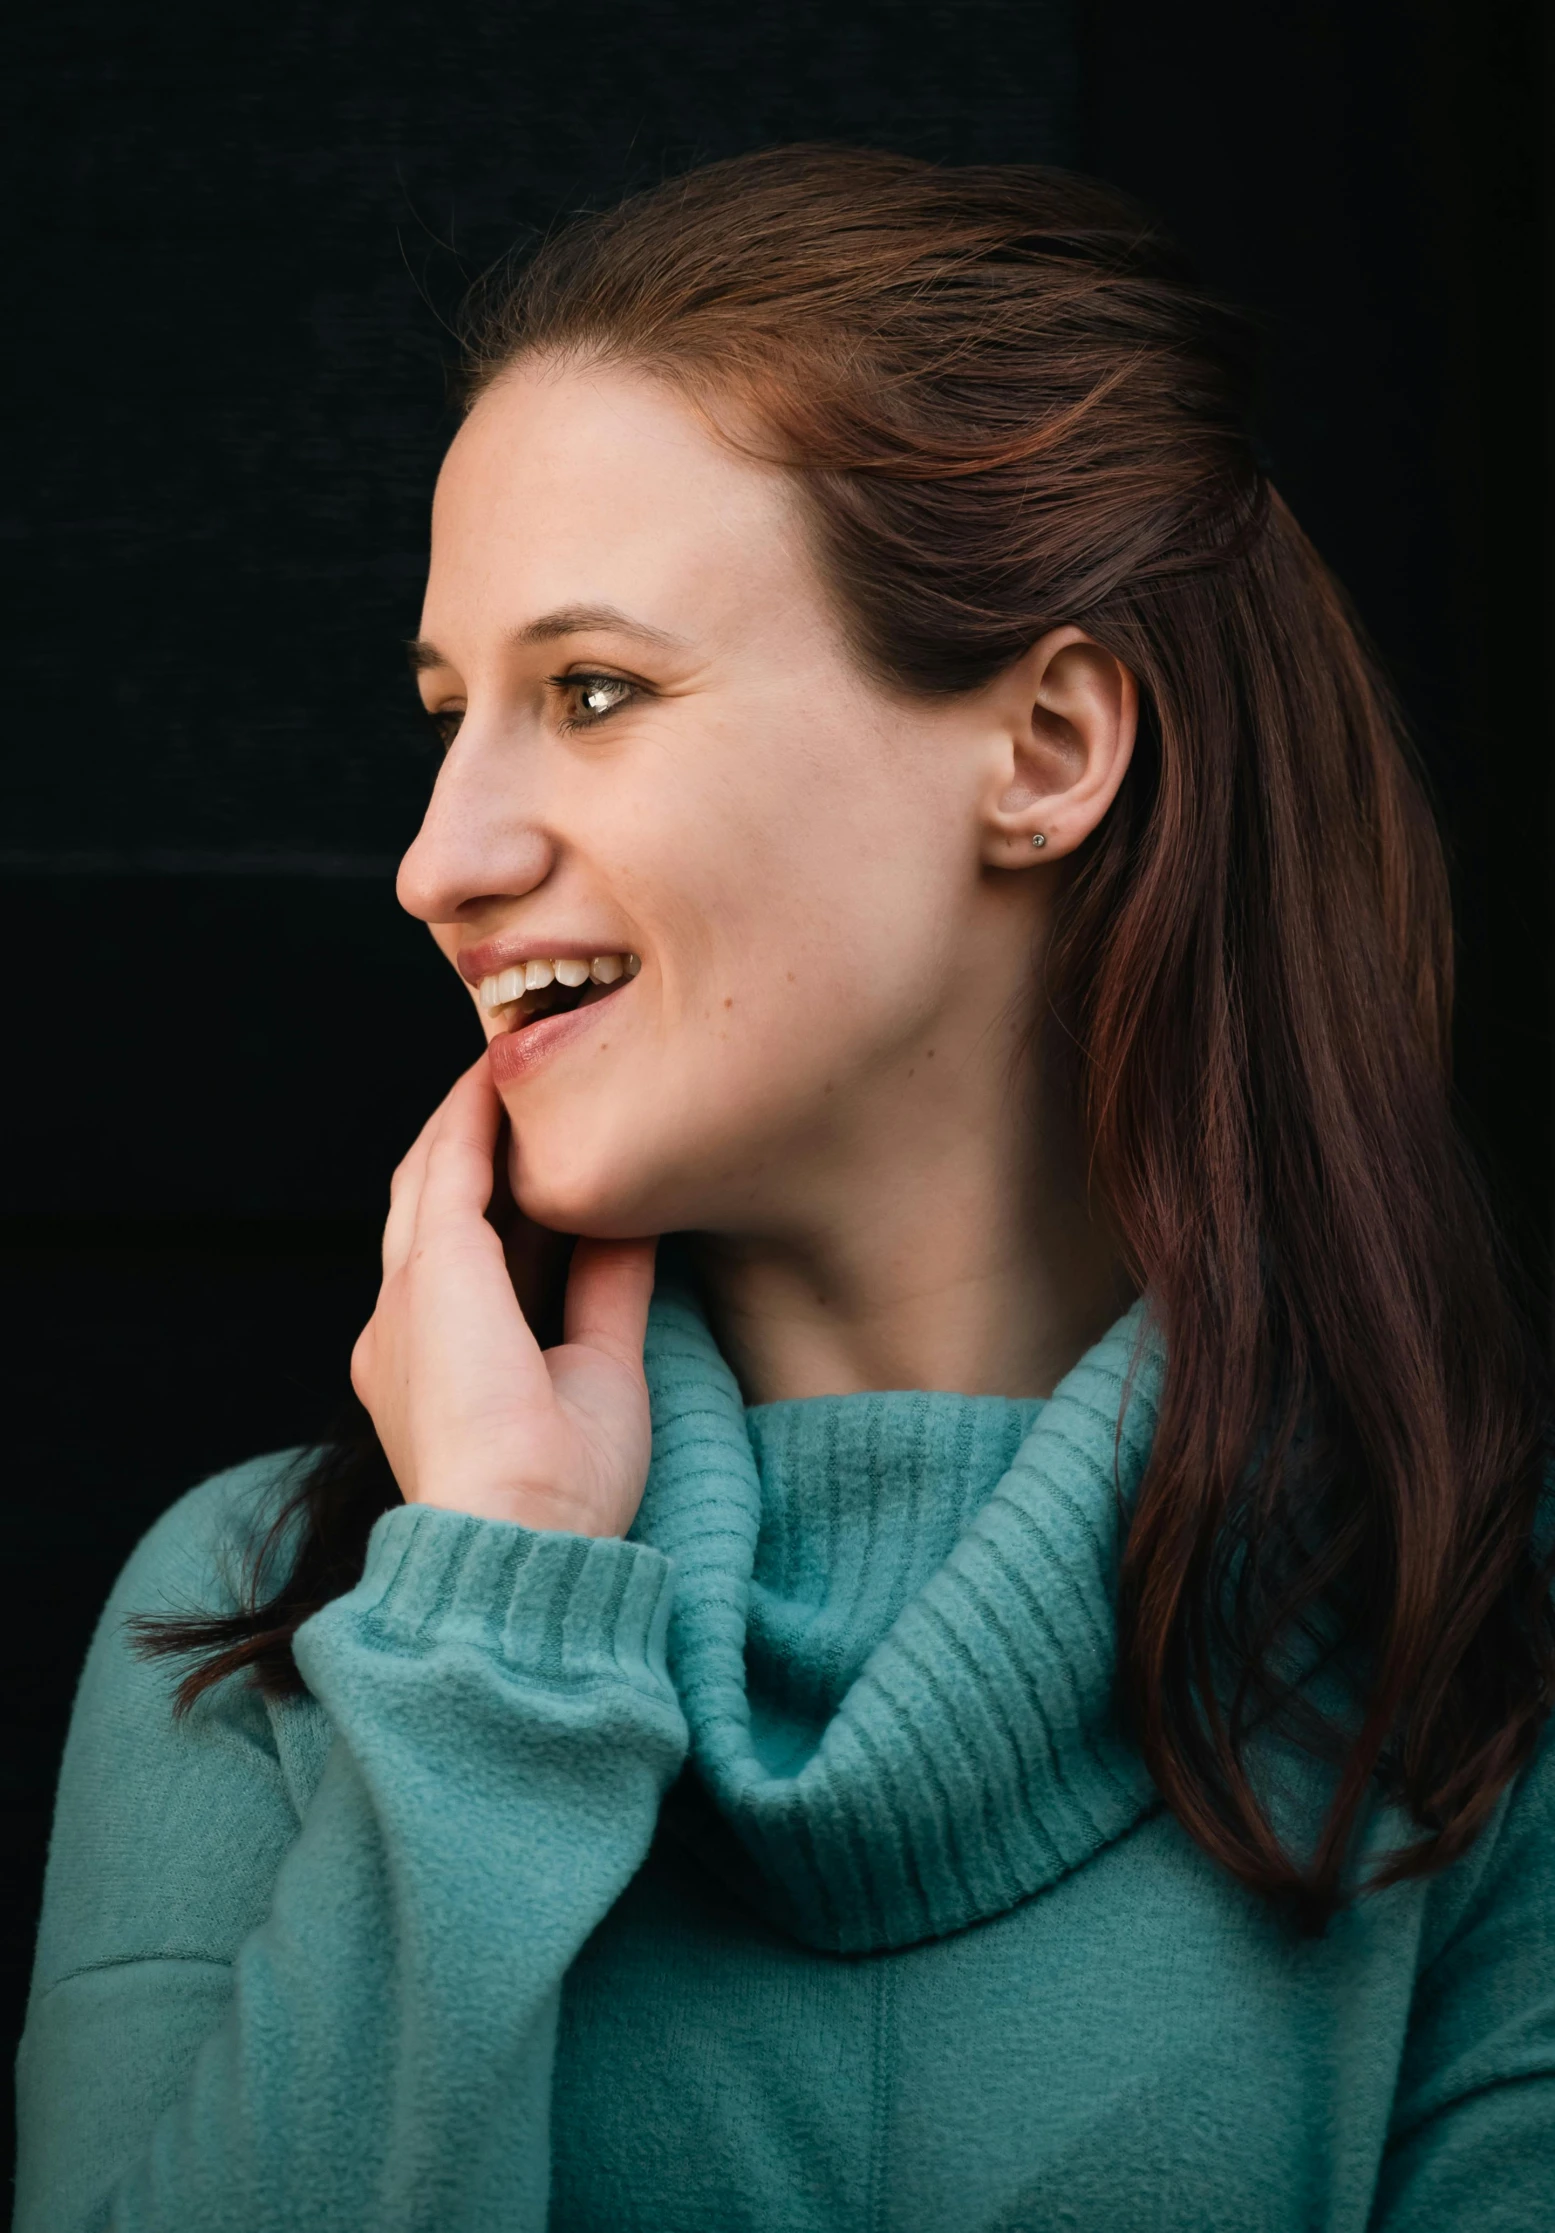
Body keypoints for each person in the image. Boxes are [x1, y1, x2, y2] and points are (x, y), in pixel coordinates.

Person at [14, 149, 1555, 2233]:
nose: (437, 857)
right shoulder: (259, 1626)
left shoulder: (1491, 1645)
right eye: (451, 715)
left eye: (593, 691)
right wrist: (475, 1644)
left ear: (1050, 744)